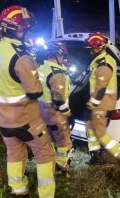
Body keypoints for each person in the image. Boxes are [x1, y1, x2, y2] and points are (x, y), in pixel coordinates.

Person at [0, 5, 55, 197]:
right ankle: (46, 194)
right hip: (26, 120)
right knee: (45, 154)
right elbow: (35, 92)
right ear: (20, 29)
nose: (28, 31)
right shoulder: (21, 57)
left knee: (14, 154)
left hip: (3, 120)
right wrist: (34, 69)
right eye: (27, 28)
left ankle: (18, 190)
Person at [84, 33, 120, 164]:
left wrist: (91, 105)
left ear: (99, 47)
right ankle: (95, 155)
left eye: (91, 48)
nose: (90, 51)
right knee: (89, 126)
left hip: (102, 103)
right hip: (100, 102)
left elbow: (101, 88)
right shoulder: (100, 60)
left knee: (100, 133)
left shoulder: (104, 64)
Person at [37, 41, 73, 173]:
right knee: (64, 140)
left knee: (50, 137)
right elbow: (57, 97)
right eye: (63, 56)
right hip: (55, 112)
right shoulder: (57, 74)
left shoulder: (41, 68)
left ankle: (50, 160)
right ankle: (62, 165)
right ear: (57, 55)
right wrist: (67, 112)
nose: (63, 59)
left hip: (42, 110)